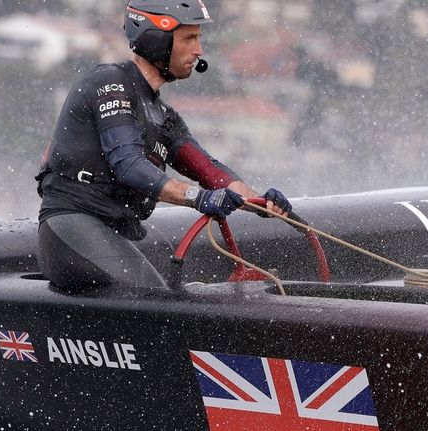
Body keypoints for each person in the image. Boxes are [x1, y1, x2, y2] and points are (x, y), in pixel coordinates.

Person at [35, 0, 292, 291]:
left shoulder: (164, 116)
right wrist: (198, 197)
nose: (199, 50)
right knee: (158, 305)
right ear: (156, 38)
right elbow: (129, 165)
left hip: (106, 231)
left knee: (168, 299)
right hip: (70, 226)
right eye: (189, 38)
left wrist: (259, 202)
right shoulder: (110, 82)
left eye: (199, 38)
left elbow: (209, 170)